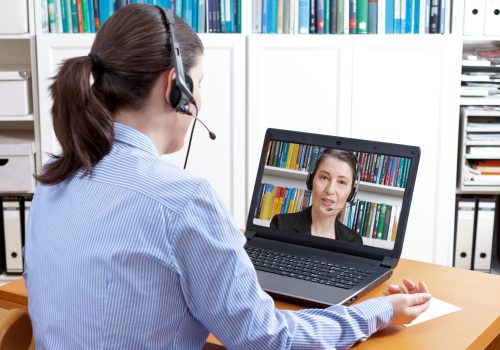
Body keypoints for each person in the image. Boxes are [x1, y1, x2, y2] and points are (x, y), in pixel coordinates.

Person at [24, 4, 431, 349]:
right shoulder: (184, 200)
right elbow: (268, 338)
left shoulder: (51, 178)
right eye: (198, 84)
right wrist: (375, 312)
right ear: (175, 88)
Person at [271, 149, 363, 244]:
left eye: (342, 182)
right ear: (311, 181)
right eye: (324, 178)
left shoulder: (354, 241)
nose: (330, 190)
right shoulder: (281, 225)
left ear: (351, 193)